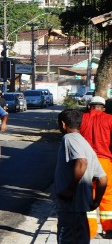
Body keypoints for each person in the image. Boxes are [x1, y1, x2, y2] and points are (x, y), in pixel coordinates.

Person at [56, 108, 108, 244]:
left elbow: (81, 161)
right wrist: (96, 201)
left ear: (63, 124)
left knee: (65, 239)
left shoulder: (69, 138)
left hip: (69, 207)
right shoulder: (87, 145)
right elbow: (103, 178)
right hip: (81, 208)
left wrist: (70, 189)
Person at [80, 96, 112, 238]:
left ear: (89, 106)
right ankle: (109, 228)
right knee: (108, 195)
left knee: (87, 195)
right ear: (103, 108)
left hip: (85, 163)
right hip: (105, 162)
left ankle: (90, 231)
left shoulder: (81, 118)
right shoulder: (110, 119)